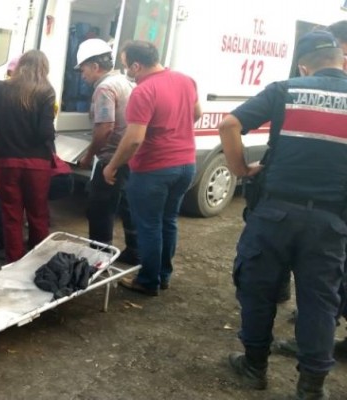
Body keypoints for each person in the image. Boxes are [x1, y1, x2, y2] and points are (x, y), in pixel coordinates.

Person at [218, 31, 347, 398]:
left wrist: (240, 170)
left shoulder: (285, 90)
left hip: (274, 213)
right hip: (330, 220)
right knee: (320, 302)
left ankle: (254, 367)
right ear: (341, 60)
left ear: (303, 65)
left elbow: (228, 125)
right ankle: (311, 388)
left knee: (258, 290)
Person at [103, 41, 201, 295]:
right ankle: (163, 275)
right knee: (168, 221)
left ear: (136, 65)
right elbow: (197, 113)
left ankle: (148, 281)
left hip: (154, 168)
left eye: (126, 65)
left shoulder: (143, 91)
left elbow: (134, 139)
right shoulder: (186, 80)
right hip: (186, 165)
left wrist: (112, 165)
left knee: (149, 225)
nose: (125, 71)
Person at [0, 50, 57, 263]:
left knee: (11, 215)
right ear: (43, 68)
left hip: (7, 162)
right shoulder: (46, 91)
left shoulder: (1, 89)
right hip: (38, 164)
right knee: (38, 214)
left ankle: (14, 262)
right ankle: (37, 261)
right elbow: (45, 132)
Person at [75, 38, 140, 264]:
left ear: (95, 66)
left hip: (111, 158)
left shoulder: (104, 88)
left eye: (83, 69)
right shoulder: (125, 82)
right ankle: (135, 251)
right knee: (127, 206)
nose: (82, 75)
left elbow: (105, 128)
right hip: (130, 157)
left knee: (99, 209)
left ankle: (99, 258)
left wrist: (89, 156)